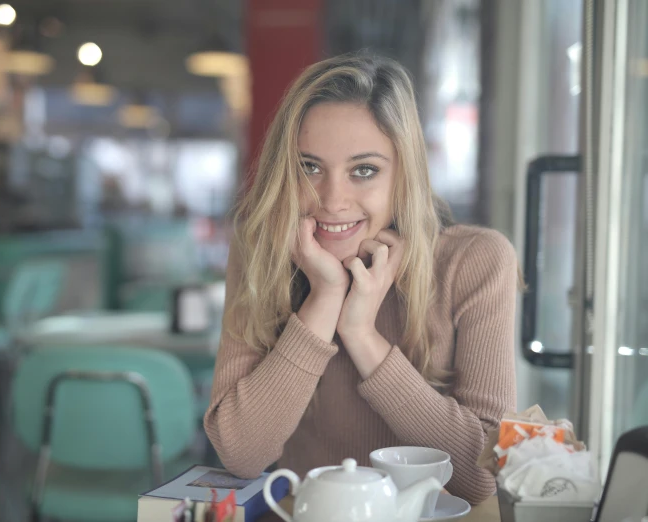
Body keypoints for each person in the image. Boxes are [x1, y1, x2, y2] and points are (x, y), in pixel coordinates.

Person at [203, 53, 518, 505]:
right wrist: (324, 298)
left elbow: (479, 477)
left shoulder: (476, 261)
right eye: (309, 167)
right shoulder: (260, 254)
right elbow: (241, 454)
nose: (332, 200)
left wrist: (361, 335)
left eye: (363, 170)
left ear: (404, 173)